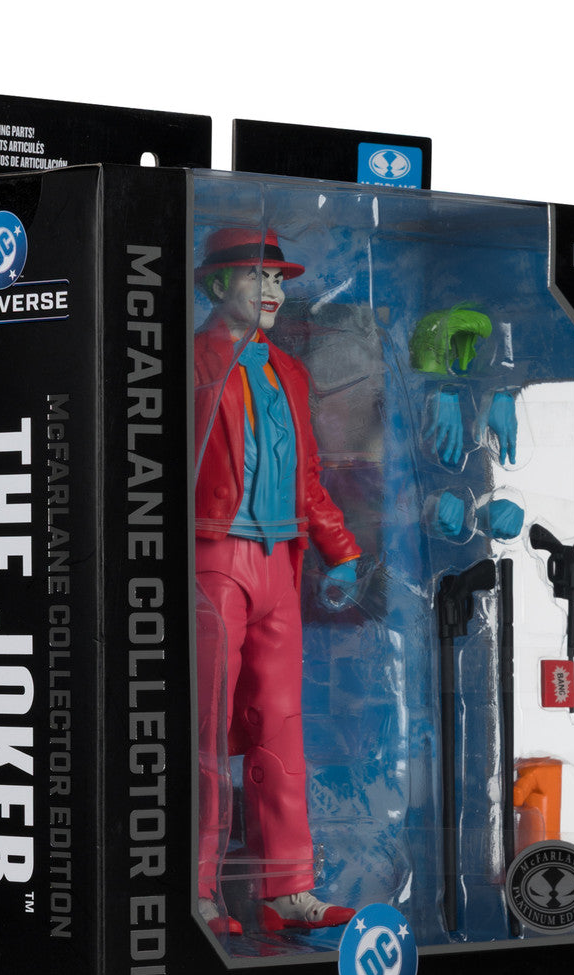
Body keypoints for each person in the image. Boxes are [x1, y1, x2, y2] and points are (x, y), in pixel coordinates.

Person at [193, 228, 359, 936]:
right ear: (215, 284)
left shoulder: (287, 370)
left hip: (279, 562)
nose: (271, 291)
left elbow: (307, 473)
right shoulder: (189, 363)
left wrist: (339, 548)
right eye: (255, 276)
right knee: (204, 729)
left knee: (281, 727)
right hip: (214, 555)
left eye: (278, 279)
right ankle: (198, 891)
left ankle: (286, 888)